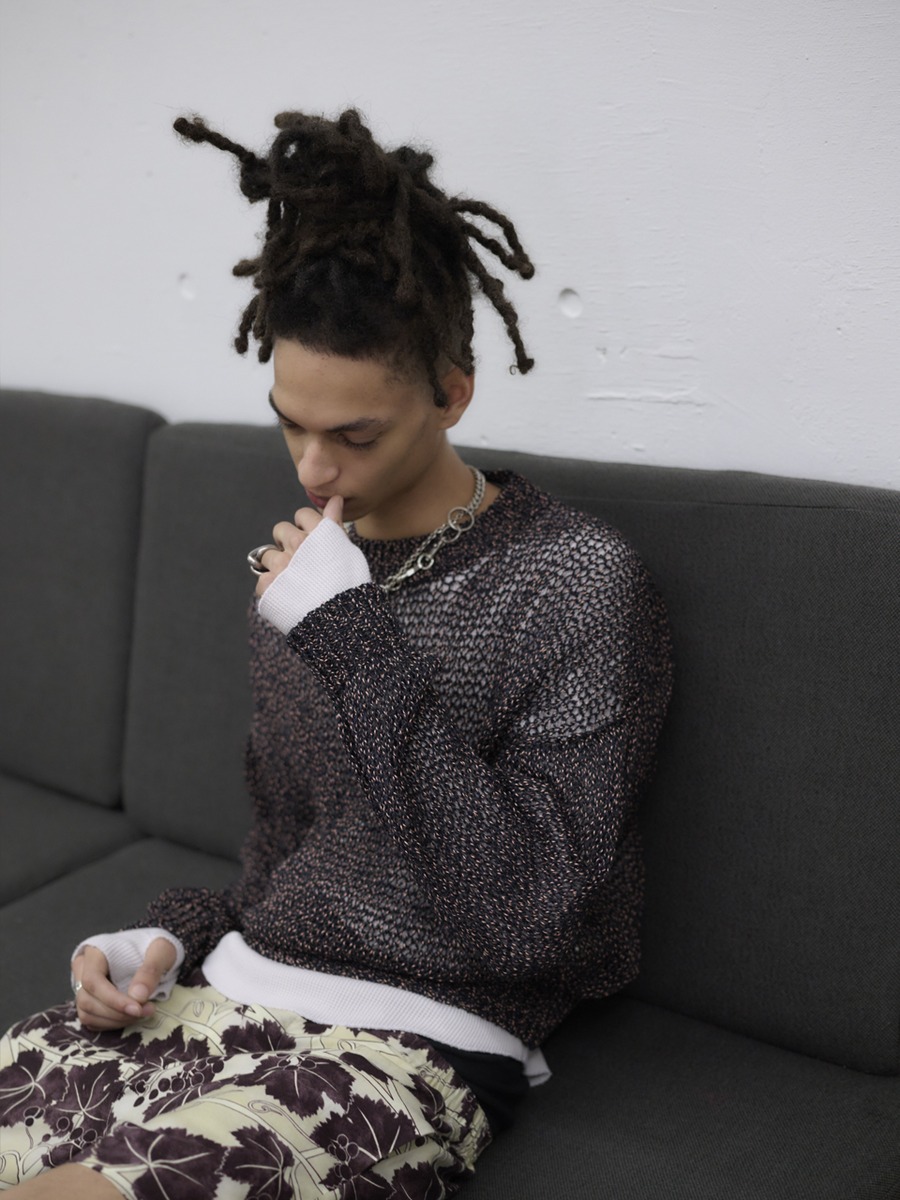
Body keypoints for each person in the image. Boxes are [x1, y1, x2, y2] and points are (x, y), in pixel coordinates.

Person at [0, 109, 673, 1198]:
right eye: (290, 424)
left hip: (408, 1047)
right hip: (219, 993)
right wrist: (161, 941)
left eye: (356, 436)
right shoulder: (305, 575)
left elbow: (533, 915)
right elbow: (289, 850)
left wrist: (351, 638)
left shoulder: (577, 582)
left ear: (452, 391)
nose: (313, 470)